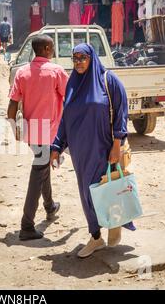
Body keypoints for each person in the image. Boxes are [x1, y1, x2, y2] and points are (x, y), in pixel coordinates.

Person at [50, 43, 135, 258]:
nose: (78, 62)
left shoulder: (108, 80)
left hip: (104, 148)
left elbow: (121, 114)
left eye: (83, 57)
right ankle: (96, 236)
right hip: (81, 152)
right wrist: (57, 146)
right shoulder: (73, 85)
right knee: (87, 193)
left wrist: (117, 144)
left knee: (107, 188)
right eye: (75, 58)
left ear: (92, 58)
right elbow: (65, 120)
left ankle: (113, 223)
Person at [7, 35, 69, 241]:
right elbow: (70, 97)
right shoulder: (56, 71)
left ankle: (50, 206)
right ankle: (27, 225)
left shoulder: (22, 72)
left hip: (32, 132)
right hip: (50, 132)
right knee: (38, 173)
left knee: (42, 169)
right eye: (51, 47)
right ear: (45, 48)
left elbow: (12, 105)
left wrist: (13, 127)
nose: (52, 51)